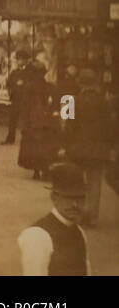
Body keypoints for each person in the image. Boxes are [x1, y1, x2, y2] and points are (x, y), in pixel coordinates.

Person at [63, 68, 115, 227]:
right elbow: (110, 127)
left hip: (77, 148)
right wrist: (109, 146)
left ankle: (77, 214)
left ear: (80, 83)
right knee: (94, 182)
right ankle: (91, 216)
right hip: (98, 148)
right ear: (95, 83)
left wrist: (66, 145)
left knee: (78, 181)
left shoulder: (72, 101)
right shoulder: (104, 102)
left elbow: (68, 126)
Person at [18, 162, 90, 276]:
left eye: (80, 198)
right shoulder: (38, 235)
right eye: (68, 197)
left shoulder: (79, 233)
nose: (75, 204)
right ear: (54, 198)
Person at [17, 61, 61, 180]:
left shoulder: (28, 88)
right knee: (46, 146)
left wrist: (24, 123)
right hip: (48, 122)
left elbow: (24, 107)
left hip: (33, 122)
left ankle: (36, 171)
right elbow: (57, 105)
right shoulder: (50, 87)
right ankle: (45, 170)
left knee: (34, 146)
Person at [4, 49, 33, 144]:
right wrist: (13, 89)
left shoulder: (31, 71)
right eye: (18, 59)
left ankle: (27, 140)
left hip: (26, 99)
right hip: (16, 99)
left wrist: (24, 84)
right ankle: (10, 139)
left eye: (21, 59)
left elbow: (35, 83)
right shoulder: (14, 72)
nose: (19, 61)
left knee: (26, 120)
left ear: (26, 60)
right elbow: (9, 83)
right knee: (12, 119)